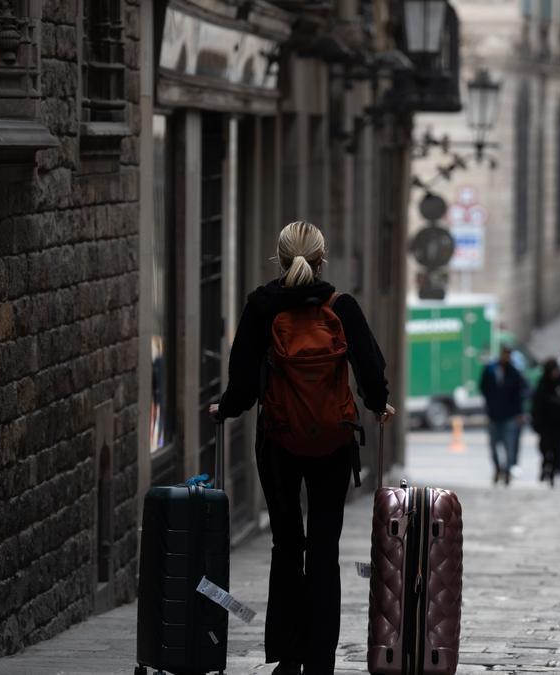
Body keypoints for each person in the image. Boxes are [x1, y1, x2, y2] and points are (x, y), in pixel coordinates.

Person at [209, 221, 394, 675]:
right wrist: (377, 403)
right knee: (325, 546)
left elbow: (245, 382)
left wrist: (225, 410)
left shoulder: (261, 306)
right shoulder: (342, 306)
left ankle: (288, 655)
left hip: (278, 440)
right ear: (321, 259)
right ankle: (320, 660)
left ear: (279, 257)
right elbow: (371, 368)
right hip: (333, 441)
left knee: (287, 543)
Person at [480, 345, 530, 486]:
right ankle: (497, 468)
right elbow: (483, 387)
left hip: (509, 415)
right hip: (494, 414)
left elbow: (521, 393)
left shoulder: (514, 372)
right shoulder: (490, 370)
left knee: (509, 445)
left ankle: (507, 470)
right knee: (494, 445)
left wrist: (519, 413)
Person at [531, 358, 560, 487]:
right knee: (544, 448)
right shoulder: (542, 383)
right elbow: (536, 405)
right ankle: (546, 467)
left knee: (558, 449)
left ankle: (556, 470)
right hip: (545, 424)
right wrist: (536, 422)